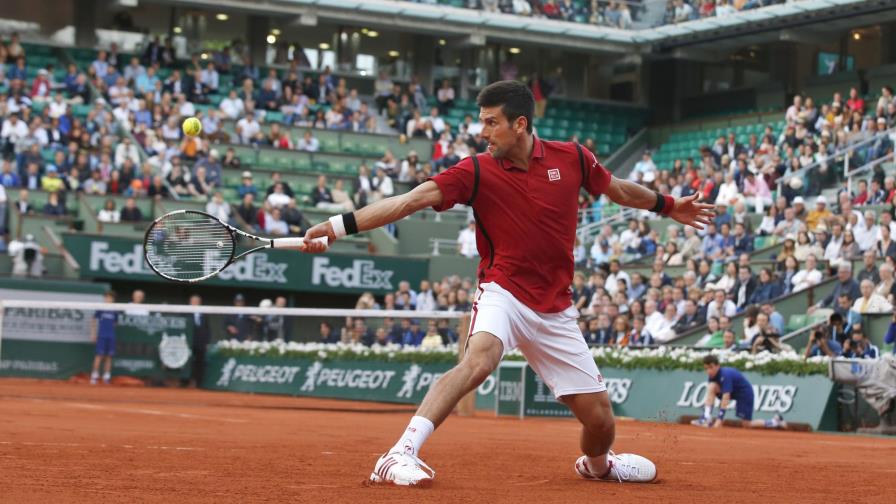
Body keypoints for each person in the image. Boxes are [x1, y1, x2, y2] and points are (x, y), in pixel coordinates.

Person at [301, 80, 713, 486]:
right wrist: (336, 227)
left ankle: (599, 466)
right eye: (481, 122)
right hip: (504, 292)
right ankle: (399, 453)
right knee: (479, 360)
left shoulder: (573, 157)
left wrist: (668, 205)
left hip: (555, 307)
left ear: (520, 124)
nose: (482, 132)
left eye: (491, 122)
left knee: (601, 422)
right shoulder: (475, 171)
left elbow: (618, 189)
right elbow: (409, 200)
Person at [690, 355, 787, 429]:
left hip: (744, 393)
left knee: (746, 424)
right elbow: (711, 395)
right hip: (733, 392)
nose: (709, 371)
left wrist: (719, 419)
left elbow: (726, 398)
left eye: (711, 367)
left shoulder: (725, 375)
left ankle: (775, 422)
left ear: (718, 366)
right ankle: (706, 417)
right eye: (706, 368)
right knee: (711, 386)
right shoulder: (712, 376)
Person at [90, 291, 118, 385]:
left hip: (111, 337)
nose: (108, 299)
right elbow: (93, 320)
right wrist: (93, 333)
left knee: (109, 357)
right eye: (107, 297)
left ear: (113, 299)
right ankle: (94, 376)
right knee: (99, 356)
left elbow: (115, 323)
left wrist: (110, 331)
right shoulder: (101, 309)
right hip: (101, 336)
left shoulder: (115, 310)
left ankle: (106, 377)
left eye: (110, 298)